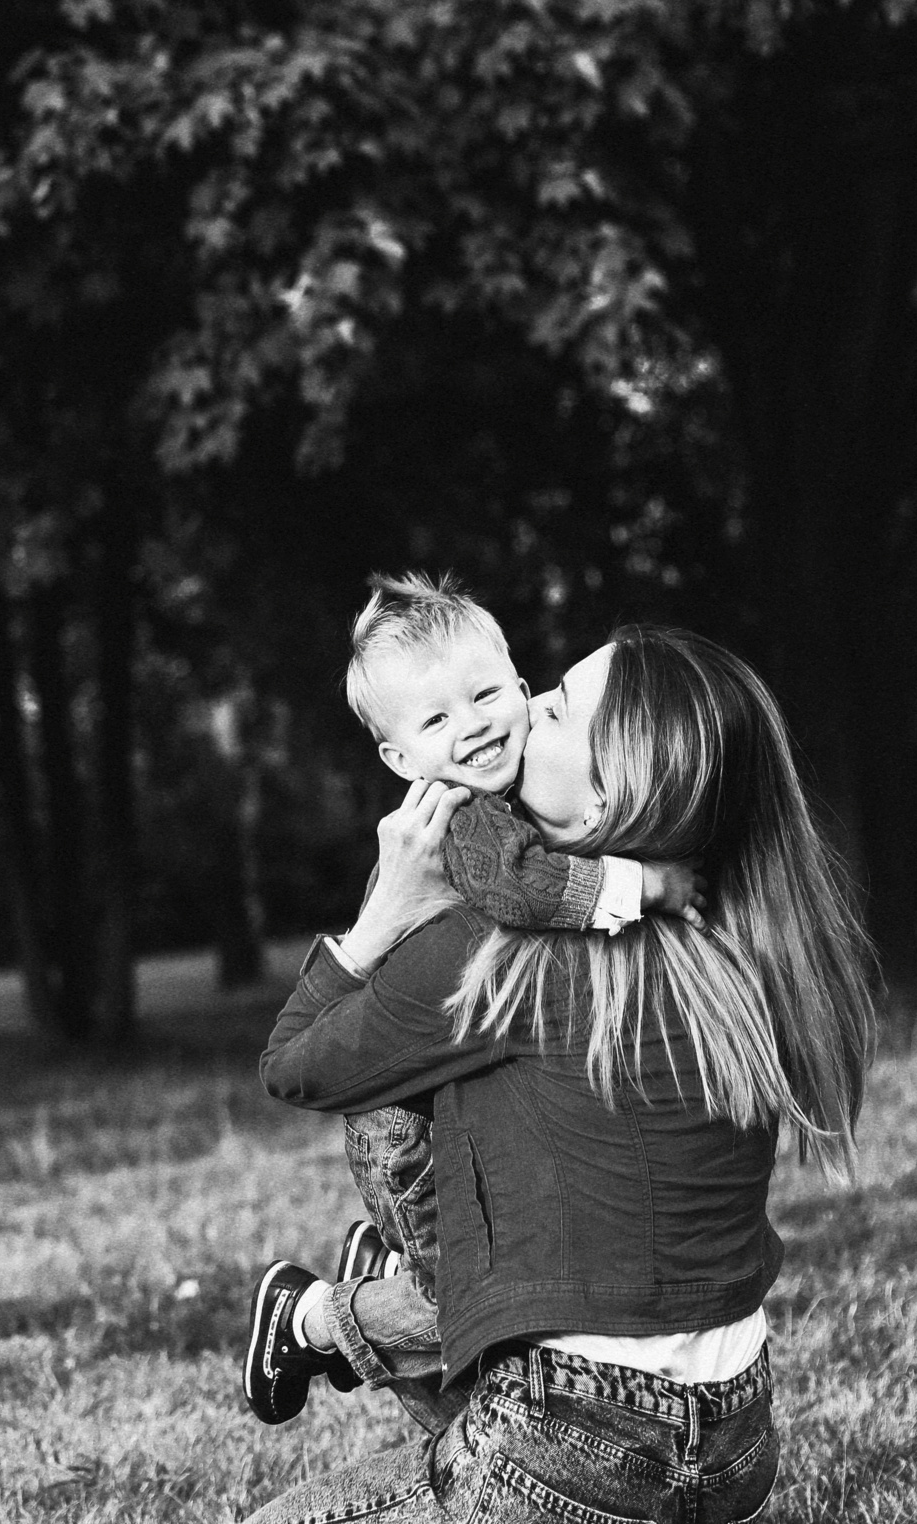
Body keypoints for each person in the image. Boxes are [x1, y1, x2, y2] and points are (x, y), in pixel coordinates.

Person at [246, 625, 876, 1524]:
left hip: (570, 1439)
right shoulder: (742, 945)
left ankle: (407, 1285)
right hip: (738, 1442)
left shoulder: (497, 959)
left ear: (597, 808)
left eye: (558, 709)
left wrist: (383, 914)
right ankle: (407, 1293)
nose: (525, 705)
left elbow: (296, 1064)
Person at [242, 575, 704, 1431]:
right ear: (400, 759)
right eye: (437, 721)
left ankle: (391, 1316)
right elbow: (526, 891)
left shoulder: (495, 793)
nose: (476, 726)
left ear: (521, 687)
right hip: (402, 1123)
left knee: (474, 1331)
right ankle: (310, 1320)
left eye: (488, 694)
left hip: (443, 1098)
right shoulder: (467, 820)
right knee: (460, 1309)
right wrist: (643, 885)